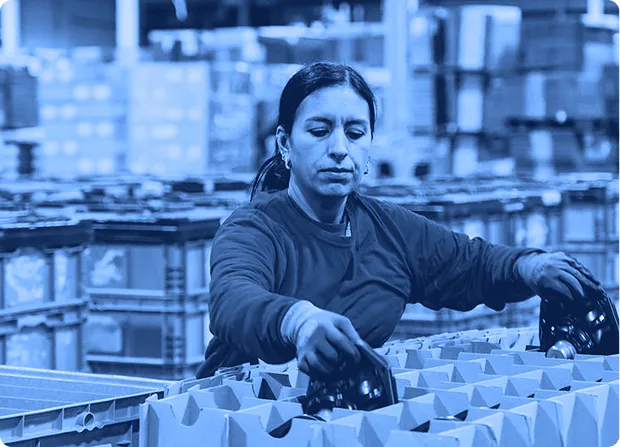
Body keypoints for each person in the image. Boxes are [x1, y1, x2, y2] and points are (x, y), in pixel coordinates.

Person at [195, 62, 600, 380]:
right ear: (285, 144)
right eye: (319, 131)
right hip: (245, 416)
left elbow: (470, 264)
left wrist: (527, 265)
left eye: (355, 133)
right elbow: (232, 300)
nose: (339, 149)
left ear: (369, 147)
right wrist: (297, 321)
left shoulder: (388, 230)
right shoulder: (254, 228)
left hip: (337, 416)